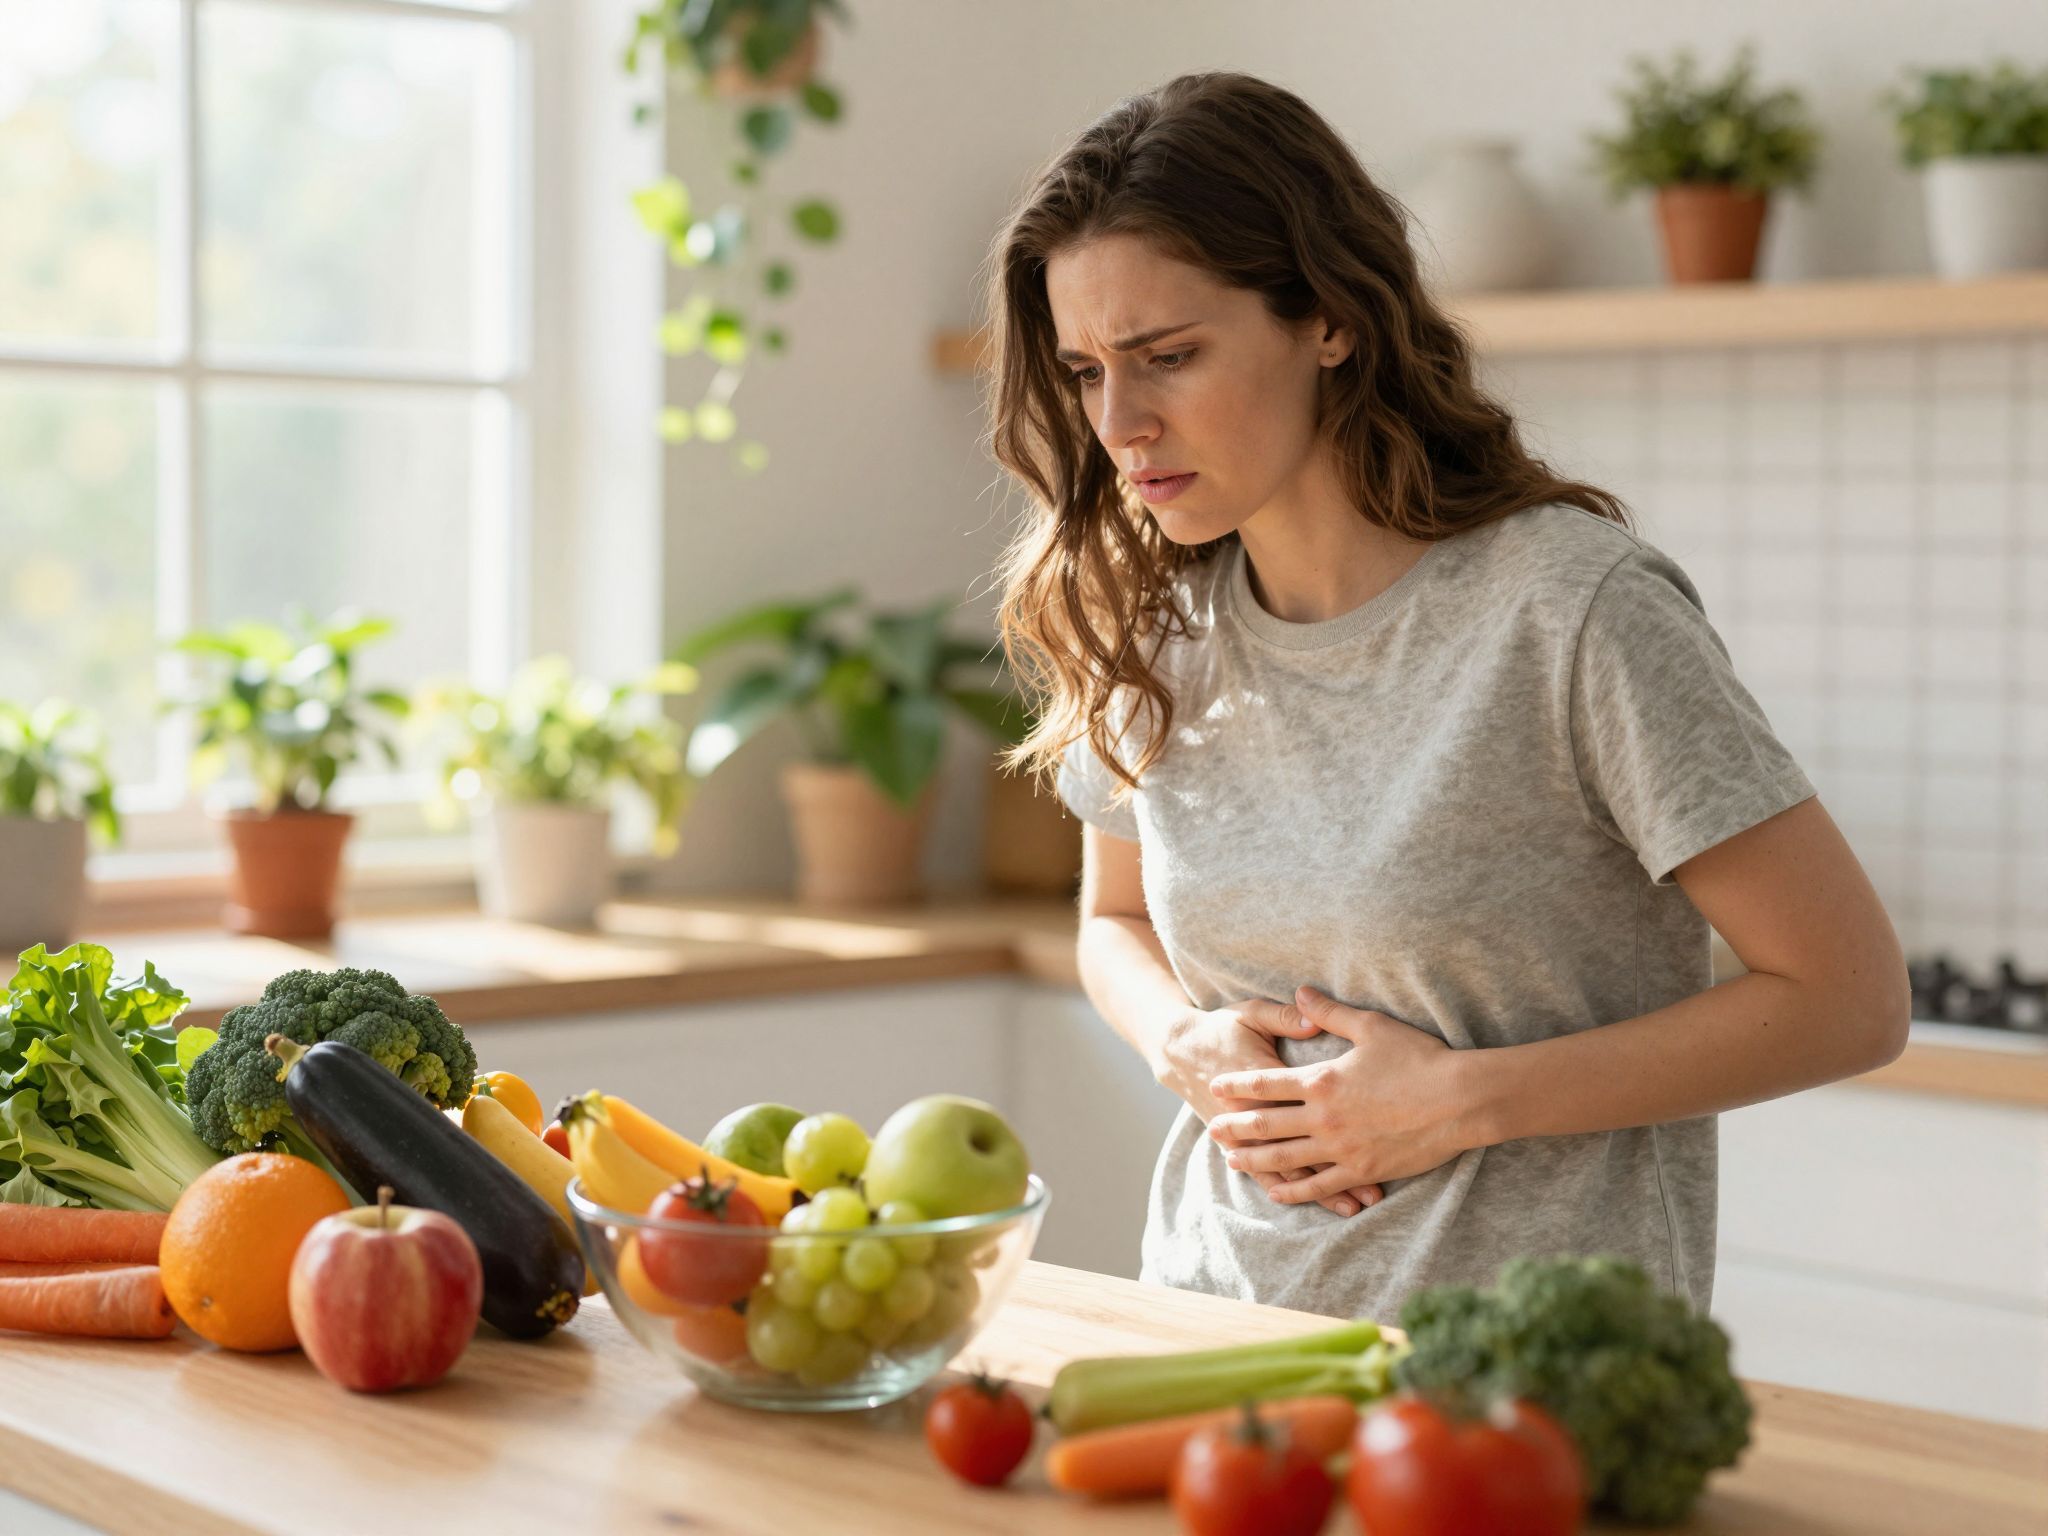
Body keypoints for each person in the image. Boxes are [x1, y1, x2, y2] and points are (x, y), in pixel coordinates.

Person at [982, 72, 1909, 1323]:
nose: (1120, 423)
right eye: (1086, 370)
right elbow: (1115, 920)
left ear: (1328, 318)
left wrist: (1460, 1101)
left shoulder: (1569, 612)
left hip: (1528, 1383)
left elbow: (1847, 1000)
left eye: (1168, 357)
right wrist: (1176, 1044)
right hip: (1206, 1334)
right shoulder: (1154, 628)